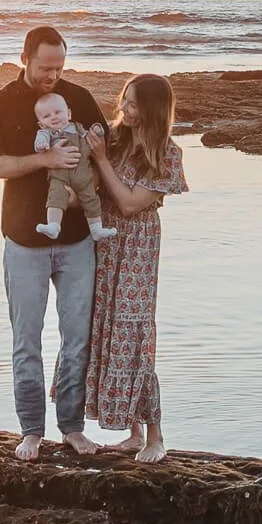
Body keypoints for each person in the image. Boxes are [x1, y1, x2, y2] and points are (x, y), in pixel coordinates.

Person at [0, 25, 108, 461]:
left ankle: (72, 427)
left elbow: (103, 150)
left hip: (76, 242)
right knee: (26, 341)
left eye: (59, 67)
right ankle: (31, 430)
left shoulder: (80, 99)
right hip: (22, 240)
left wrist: (82, 190)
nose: (53, 75)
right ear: (25, 59)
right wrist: (45, 159)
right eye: (45, 67)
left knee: (77, 339)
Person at [85, 73, 189, 462]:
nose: (124, 110)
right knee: (106, 327)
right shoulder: (114, 140)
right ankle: (132, 431)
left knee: (134, 330)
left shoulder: (167, 155)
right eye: (123, 101)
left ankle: (155, 436)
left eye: (133, 105)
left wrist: (99, 159)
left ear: (153, 110)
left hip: (137, 249)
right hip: (105, 244)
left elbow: (130, 203)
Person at [31, 91, 114, 242]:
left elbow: (89, 137)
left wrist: (96, 131)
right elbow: (39, 143)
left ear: (68, 114)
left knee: (91, 199)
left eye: (57, 112)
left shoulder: (78, 128)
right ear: (41, 123)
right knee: (56, 196)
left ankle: (96, 229)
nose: (53, 117)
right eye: (47, 116)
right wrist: (42, 145)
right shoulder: (46, 133)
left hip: (83, 174)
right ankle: (53, 225)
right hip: (60, 177)